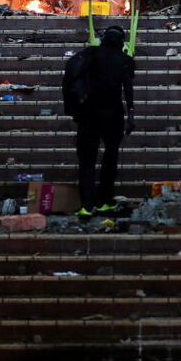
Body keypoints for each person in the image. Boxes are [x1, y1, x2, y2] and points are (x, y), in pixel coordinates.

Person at [69, 25, 135, 217]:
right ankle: (105, 200)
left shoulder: (91, 54)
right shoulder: (125, 61)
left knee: (87, 160)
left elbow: (73, 73)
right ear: (121, 42)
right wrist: (131, 113)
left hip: (89, 113)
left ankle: (87, 205)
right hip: (114, 115)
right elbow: (128, 88)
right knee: (111, 156)